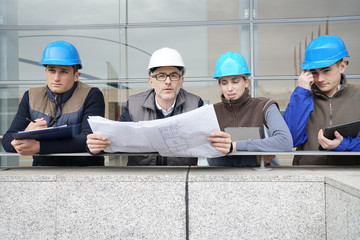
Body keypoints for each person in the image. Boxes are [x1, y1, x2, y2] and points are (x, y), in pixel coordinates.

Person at [87, 47, 204, 165]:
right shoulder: (134, 105)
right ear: (151, 81)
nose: (168, 81)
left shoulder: (195, 105)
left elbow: (206, 142)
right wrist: (96, 146)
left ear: (181, 80)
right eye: (161, 76)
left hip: (182, 176)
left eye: (173, 75)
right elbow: (115, 139)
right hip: (141, 176)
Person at [2, 40, 105, 166]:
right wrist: (22, 136)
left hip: (84, 172)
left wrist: (40, 146)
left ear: (76, 75)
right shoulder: (31, 95)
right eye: (51, 70)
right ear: (46, 72)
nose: (56, 78)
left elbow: (88, 139)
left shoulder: (92, 95)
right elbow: (7, 140)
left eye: (64, 71)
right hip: (43, 172)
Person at [206, 51, 293, 167]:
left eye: (235, 81)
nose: (229, 88)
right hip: (225, 180)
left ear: (246, 82)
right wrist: (255, 160)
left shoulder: (265, 106)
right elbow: (212, 160)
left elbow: (284, 142)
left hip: (261, 179)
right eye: (224, 83)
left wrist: (235, 146)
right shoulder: (213, 112)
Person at [284, 35, 360, 165]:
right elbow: (289, 140)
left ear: (342, 66)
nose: (320, 79)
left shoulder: (357, 95)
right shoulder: (301, 97)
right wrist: (302, 93)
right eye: (314, 72)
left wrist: (344, 144)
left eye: (326, 71)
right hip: (308, 174)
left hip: (349, 175)